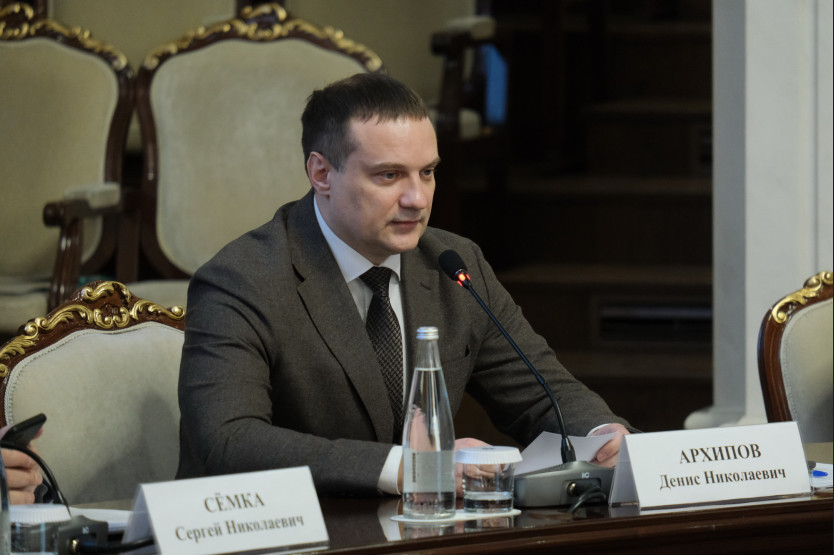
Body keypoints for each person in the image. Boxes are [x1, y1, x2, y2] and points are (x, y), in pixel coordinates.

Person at [177, 73, 631, 497]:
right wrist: (412, 468)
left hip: (416, 530)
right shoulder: (243, 280)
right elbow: (229, 441)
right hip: (283, 530)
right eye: (389, 175)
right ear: (321, 174)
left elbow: (540, 392)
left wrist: (602, 435)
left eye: (427, 172)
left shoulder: (453, 263)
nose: (417, 199)